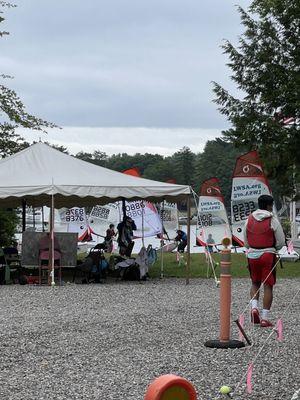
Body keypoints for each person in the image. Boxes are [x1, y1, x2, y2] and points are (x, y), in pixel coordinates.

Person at [243, 194, 285, 328]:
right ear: (269, 205)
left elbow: (246, 241)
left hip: (252, 255)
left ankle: (254, 308)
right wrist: (275, 248)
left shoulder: (249, 219)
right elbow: (280, 241)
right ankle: (265, 318)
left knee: (255, 282)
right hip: (268, 254)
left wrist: (251, 247)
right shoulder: (272, 219)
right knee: (268, 285)